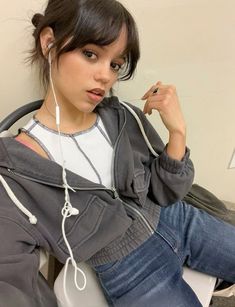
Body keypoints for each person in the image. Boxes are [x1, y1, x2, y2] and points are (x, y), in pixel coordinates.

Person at [0, 0, 234, 306]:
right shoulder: (15, 172)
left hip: (181, 219)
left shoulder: (122, 116)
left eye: (115, 64)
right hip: (130, 270)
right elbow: (11, 280)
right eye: (90, 54)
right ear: (49, 43)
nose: (105, 76)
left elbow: (167, 193)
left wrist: (178, 133)